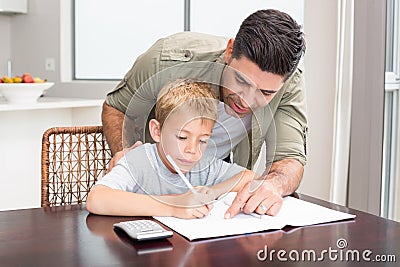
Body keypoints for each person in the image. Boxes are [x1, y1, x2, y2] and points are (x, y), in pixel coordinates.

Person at [101, 9, 307, 218]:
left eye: (265, 93)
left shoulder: (289, 84)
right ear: (230, 51)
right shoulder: (166, 59)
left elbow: (290, 158)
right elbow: (116, 106)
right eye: (241, 81)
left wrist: (273, 185)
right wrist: (125, 150)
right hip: (151, 197)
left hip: (211, 203)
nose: (245, 100)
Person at [87, 80, 258, 219]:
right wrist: (173, 206)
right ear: (157, 131)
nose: (192, 150)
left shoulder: (203, 164)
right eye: (182, 137)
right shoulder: (139, 160)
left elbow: (252, 178)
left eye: (203, 140)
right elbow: (96, 198)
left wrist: (213, 191)